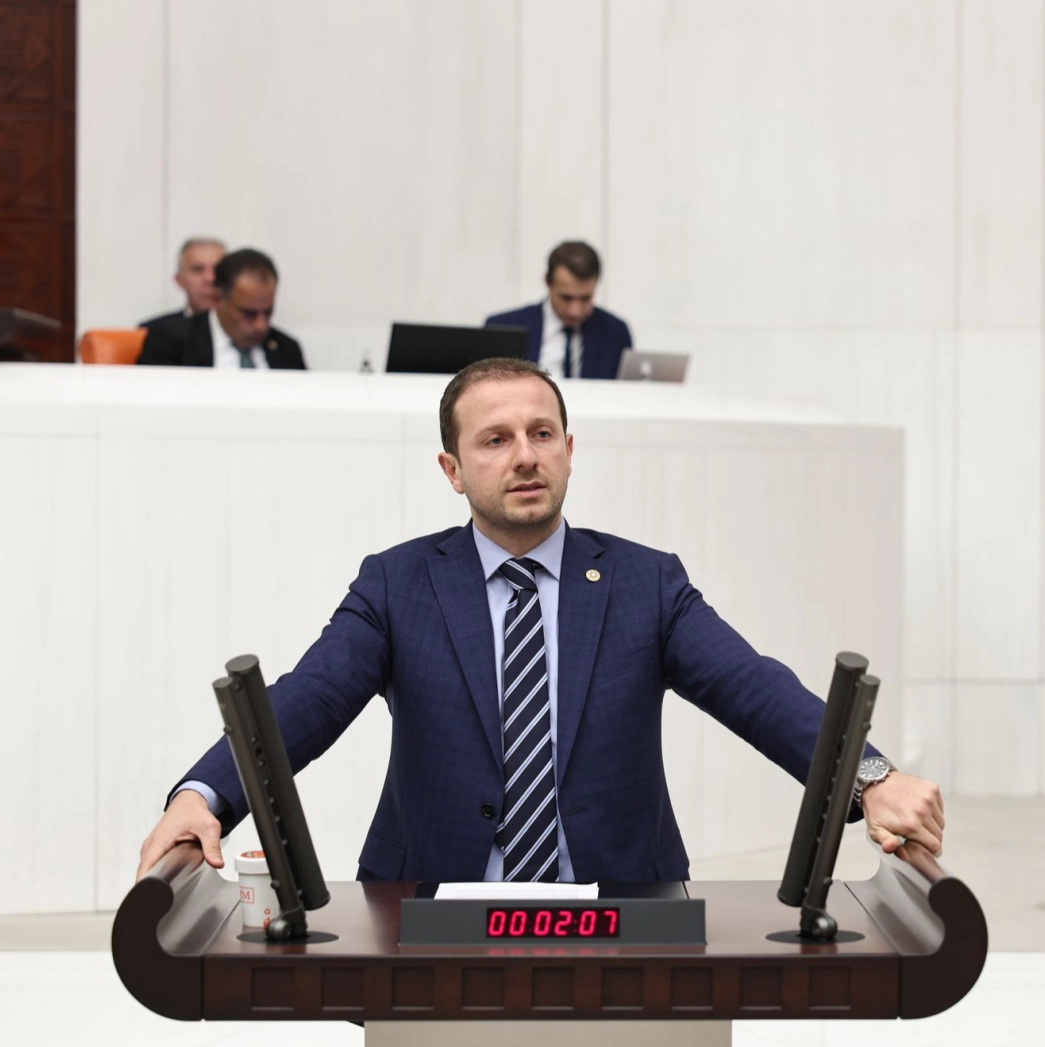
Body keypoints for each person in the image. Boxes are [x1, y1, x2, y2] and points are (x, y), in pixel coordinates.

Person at [136, 359, 943, 883]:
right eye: (495, 440)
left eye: (541, 434)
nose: (524, 455)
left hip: (618, 907)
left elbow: (754, 689)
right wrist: (204, 795)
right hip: (431, 908)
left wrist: (869, 776)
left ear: (567, 449)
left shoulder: (644, 583)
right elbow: (304, 701)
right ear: (453, 470)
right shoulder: (399, 585)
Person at [136, 248, 306, 370]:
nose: (261, 325)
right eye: (248, 314)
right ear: (217, 298)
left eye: (268, 312)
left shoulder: (287, 349)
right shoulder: (172, 341)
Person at [485, 241, 633, 379]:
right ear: (548, 282)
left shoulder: (615, 333)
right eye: (566, 298)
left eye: (585, 298)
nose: (575, 311)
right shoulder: (503, 328)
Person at [137, 237, 225, 349]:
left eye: (218, 270)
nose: (210, 278)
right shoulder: (153, 332)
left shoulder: (245, 332)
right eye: (198, 269)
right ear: (179, 280)